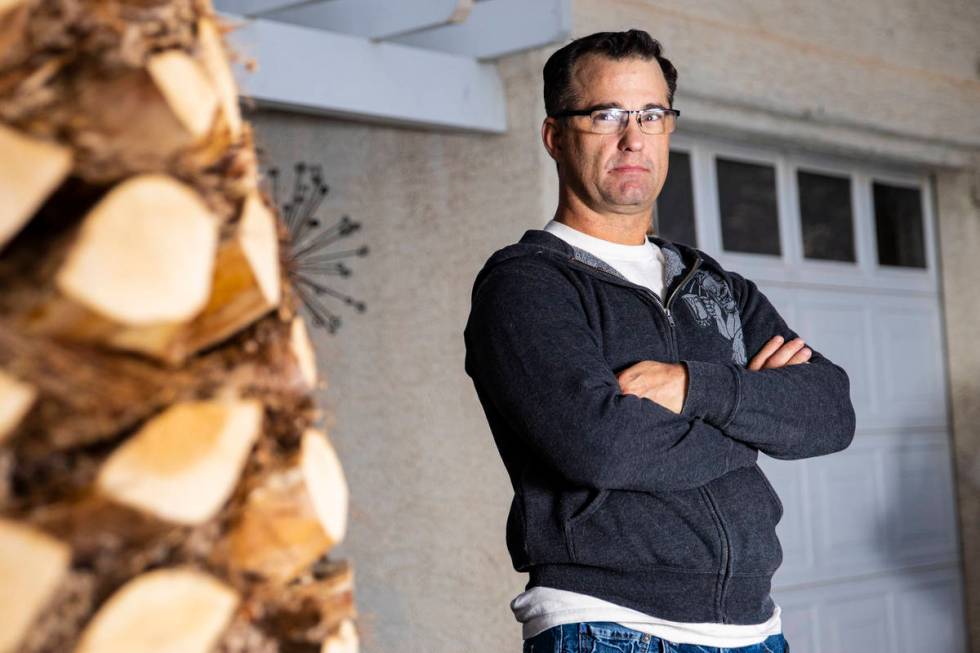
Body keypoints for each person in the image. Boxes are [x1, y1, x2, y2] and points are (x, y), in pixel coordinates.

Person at [462, 29, 857, 653]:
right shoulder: (526, 285)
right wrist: (752, 419)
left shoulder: (715, 286)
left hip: (757, 629)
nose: (632, 137)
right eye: (605, 115)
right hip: (609, 627)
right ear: (555, 136)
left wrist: (694, 387)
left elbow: (830, 413)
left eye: (650, 114)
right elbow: (603, 448)